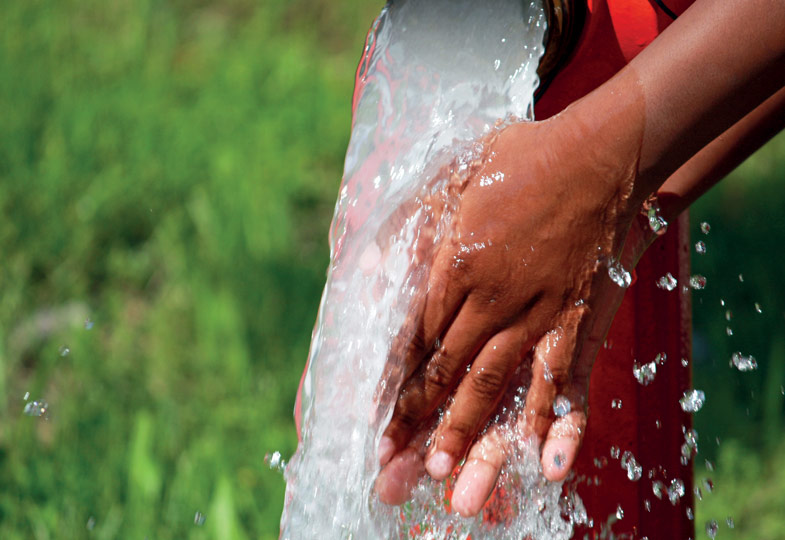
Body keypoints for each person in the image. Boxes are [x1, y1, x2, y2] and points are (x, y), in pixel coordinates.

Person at [371, 0, 785, 525]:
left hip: (632, 77)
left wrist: (598, 158)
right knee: (382, 433)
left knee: (575, 483)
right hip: (445, 68)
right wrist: (626, 199)